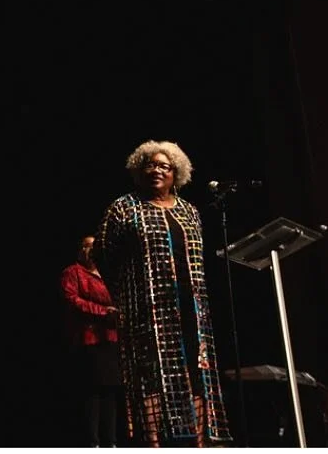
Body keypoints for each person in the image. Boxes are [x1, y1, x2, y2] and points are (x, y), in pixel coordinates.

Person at [95, 142, 232, 447]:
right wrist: (124, 291)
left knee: (196, 370)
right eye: (150, 165)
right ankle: (153, 441)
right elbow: (102, 252)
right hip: (147, 306)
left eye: (164, 166)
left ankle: (198, 439)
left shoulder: (189, 211)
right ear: (139, 171)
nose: (157, 170)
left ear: (176, 174)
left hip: (190, 306)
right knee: (149, 372)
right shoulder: (124, 208)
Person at [61, 236, 122, 447]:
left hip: (110, 337)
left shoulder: (108, 275)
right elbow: (72, 301)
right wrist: (103, 312)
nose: (90, 249)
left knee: (110, 391)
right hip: (90, 338)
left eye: (93, 246)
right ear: (80, 250)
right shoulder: (73, 272)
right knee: (93, 391)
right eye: (86, 245)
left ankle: (112, 442)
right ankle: (93, 443)